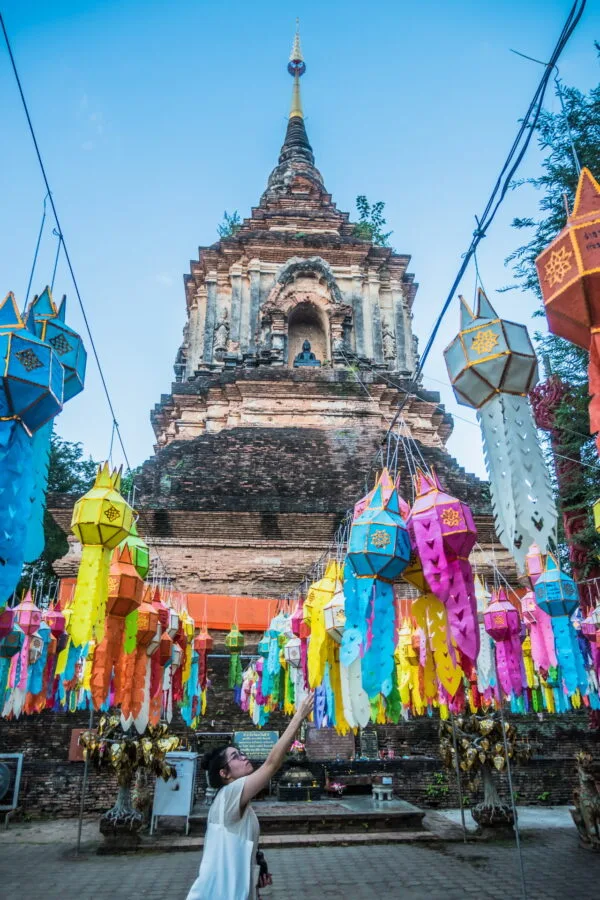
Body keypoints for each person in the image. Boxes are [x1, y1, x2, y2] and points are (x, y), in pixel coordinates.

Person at [186, 692, 315, 900]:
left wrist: (255, 871)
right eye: (235, 757)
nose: (243, 757)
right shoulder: (229, 794)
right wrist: (298, 717)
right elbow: (272, 764)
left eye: (241, 752)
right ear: (224, 773)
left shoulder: (234, 800)